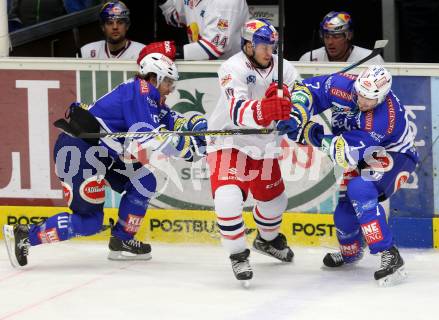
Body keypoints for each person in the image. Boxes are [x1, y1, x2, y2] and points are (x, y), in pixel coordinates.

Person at [2, 49, 208, 268]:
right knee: (90, 222)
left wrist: (193, 123)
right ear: (152, 77)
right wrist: (188, 148)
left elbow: (172, 120)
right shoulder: (141, 90)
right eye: (168, 82)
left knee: (144, 181)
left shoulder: (148, 96)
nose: (170, 88)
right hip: (78, 153)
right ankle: (25, 235)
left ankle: (122, 239)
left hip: (101, 154)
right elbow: (148, 137)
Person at [284, 65, 418, 286]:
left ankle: (389, 253)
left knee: (360, 188)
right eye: (360, 93)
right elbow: (306, 90)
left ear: (382, 97)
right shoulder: (343, 85)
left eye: (369, 99)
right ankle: (351, 253)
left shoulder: (382, 119)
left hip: (395, 155)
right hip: (363, 154)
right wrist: (297, 111)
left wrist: (308, 132)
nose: (362, 101)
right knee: (344, 219)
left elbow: (344, 153)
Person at [206, 19, 308, 283]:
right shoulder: (232, 67)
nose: (268, 51)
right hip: (230, 141)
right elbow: (237, 110)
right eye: (263, 45)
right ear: (248, 45)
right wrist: (267, 110)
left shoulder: (284, 67)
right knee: (227, 199)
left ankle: (268, 239)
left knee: (276, 203)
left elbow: (302, 94)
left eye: (272, 45)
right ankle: (238, 256)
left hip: (264, 146)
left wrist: (292, 111)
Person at [153, 0, 249, 60]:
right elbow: (175, 18)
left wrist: (171, 51)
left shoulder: (226, 2)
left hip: (231, 70)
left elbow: (213, 49)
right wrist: (164, 2)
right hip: (202, 64)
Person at [299, 11, 385, 63]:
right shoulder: (308, 59)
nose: (330, 42)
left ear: (349, 35)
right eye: (326, 36)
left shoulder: (371, 59)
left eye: (336, 37)